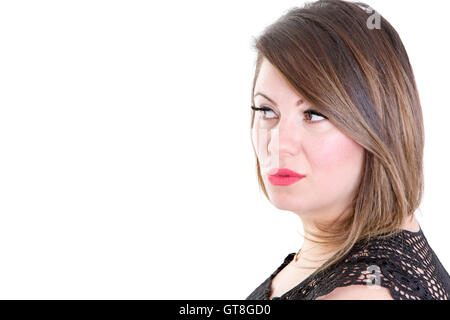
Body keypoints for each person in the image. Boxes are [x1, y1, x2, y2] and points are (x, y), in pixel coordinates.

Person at [246, 0, 450, 300]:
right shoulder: (333, 259)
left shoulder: (360, 292)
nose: (277, 144)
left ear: (379, 125)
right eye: (266, 110)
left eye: (313, 114)